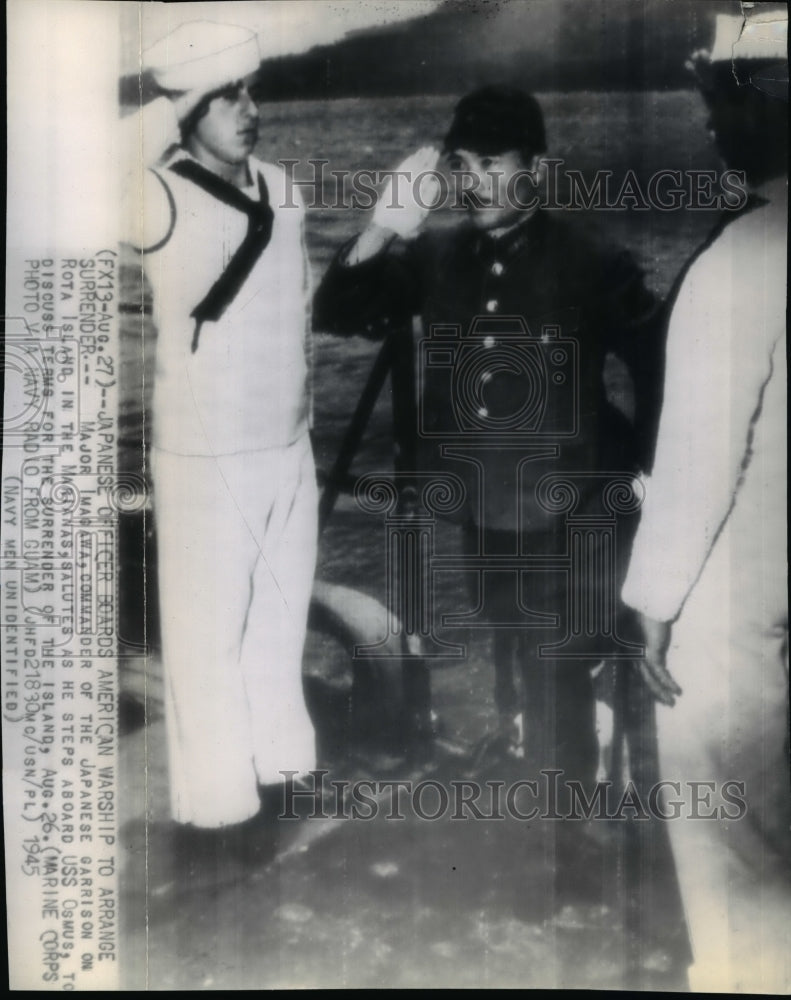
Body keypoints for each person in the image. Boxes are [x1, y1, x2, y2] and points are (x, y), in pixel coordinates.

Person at [314, 85, 662, 795]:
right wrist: (387, 224)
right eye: (462, 164)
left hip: (578, 508)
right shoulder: (436, 256)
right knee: (512, 637)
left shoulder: (593, 259)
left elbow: (660, 369)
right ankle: (546, 765)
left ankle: (562, 826)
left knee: (554, 664)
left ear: (534, 164)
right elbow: (337, 312)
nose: (473, 181)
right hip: (488, 508)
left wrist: (655, 473)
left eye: (493, 162)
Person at [621, 8, 789, 992]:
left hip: (741, 611)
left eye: (716, 106)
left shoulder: (739, 261)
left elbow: (694, 467)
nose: (708, 130)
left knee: (739, 873)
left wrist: (648, 610)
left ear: (760, 106)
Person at [122, 21, 318, 862]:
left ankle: (278, 773)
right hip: (204, 461)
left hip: (288, 444)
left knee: (278, 626)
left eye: (251, 89)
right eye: (226, 96)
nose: (250, 108)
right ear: (185, 108)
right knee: (205, 642)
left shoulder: (281, 187)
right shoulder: (154, 196)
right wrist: (177, 102)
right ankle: (217, 817)